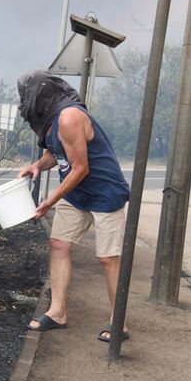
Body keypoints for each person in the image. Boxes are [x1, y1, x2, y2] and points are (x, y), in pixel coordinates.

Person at [16, 70, 130, 342]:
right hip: (77, 194)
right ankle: (57, 312)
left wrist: (49, 201)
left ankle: (119, 322)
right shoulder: (53, 122)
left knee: (107, 258)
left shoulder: (69, 117)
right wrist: (36, 166)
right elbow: (55, 155)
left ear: (40, 96)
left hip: (105, 193)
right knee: (59, 244)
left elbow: (80, 168)